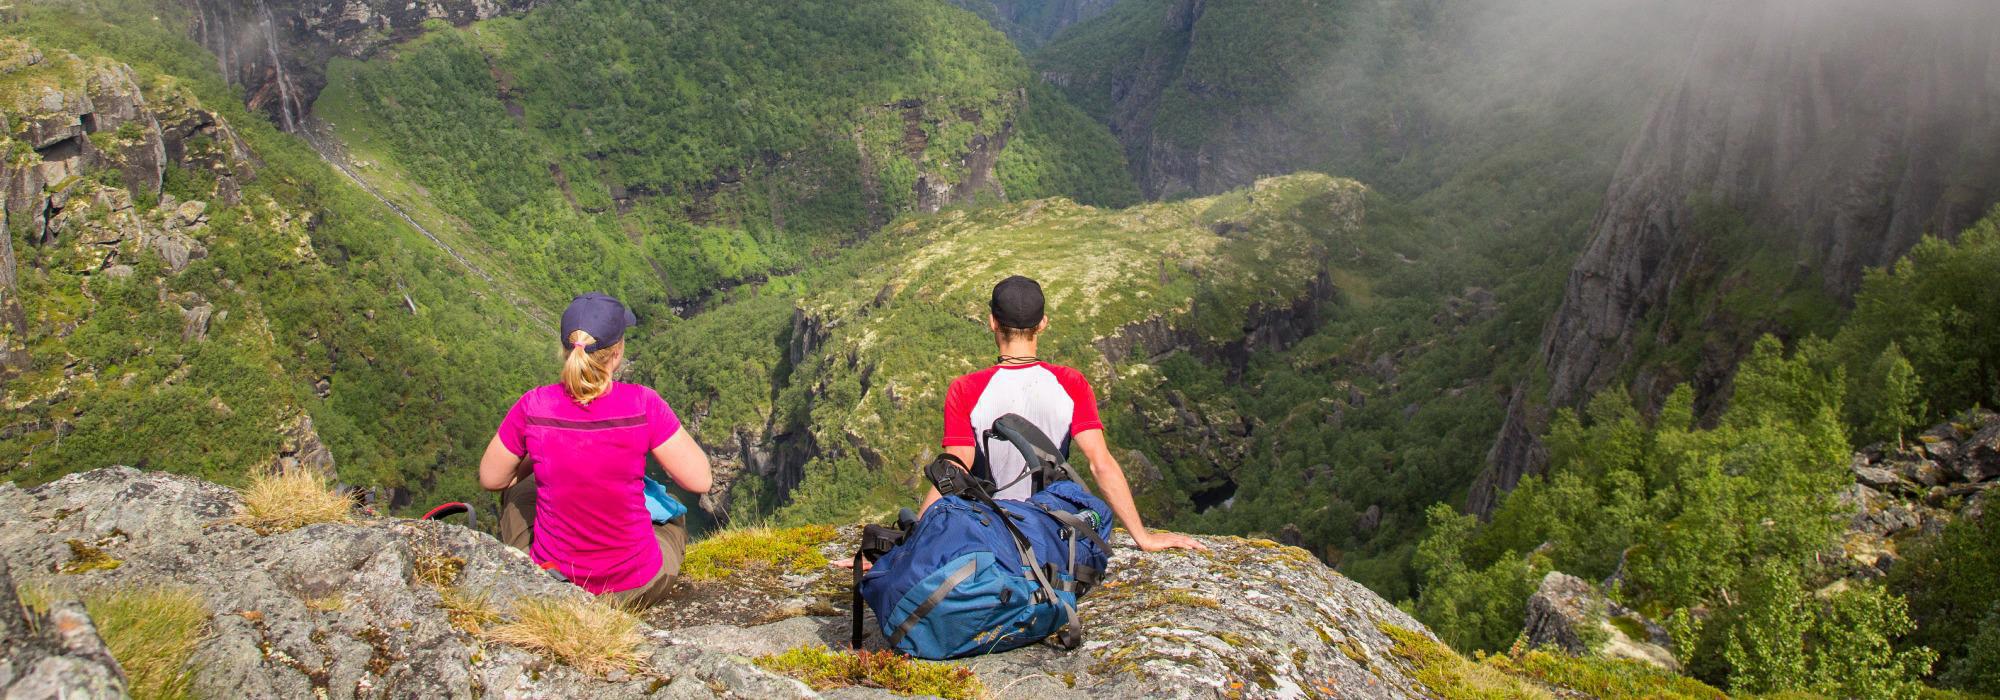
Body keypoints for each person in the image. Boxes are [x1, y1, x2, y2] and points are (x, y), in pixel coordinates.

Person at [922, 276, 1207, 553]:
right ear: (1043, 324)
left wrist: (909, 543)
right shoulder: (1071, 383)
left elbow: (954, 473)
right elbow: (1100, 464)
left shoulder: (966, 389)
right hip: (1049, 530)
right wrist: (1143, 537)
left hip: (990, 533)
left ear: (992, 322)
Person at [478, 292, 712, 608]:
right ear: (617, 353)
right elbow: (700, 481)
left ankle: (537, 571)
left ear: (565, 351)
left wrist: (539, 454)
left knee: (519, 494)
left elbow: (493, 479)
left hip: (557, 583)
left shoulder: (534, 405)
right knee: (671, 515)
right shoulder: (643, 404)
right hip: (635, 585)